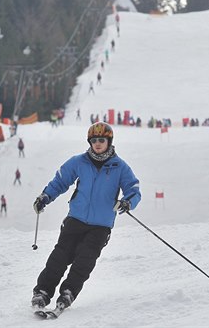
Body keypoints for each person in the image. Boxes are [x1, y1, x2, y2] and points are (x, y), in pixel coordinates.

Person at [30, 122, 141, 312]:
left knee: (84, 261)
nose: (97, 144)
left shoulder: (119, 167)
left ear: (109, 142)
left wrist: (127, 202)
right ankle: (43, 291)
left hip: (101, 225)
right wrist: (45, 197)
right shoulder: (79, 162)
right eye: (94, 140)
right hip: (76, 219)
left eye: (102, 140)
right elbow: (60, 181)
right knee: (59, 256)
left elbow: (133, 189)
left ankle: (68, 292)